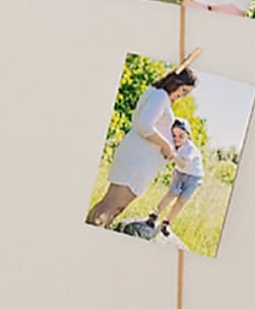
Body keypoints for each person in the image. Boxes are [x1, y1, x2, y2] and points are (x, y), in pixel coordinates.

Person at [86, 67, 197, 229]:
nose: (183, 96)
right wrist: (166, 146)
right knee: (110, 205)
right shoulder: (160, 95)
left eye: (187, 93)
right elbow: (144, 124)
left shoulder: (158, 95)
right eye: (184, 90)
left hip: (139, 163)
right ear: (176, 82)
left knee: (115, 208)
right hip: (136, 161)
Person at [145, 119, 204, 238]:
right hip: (179, 173)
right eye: (174, 135)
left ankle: (166, 223)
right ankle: (154, 214)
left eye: (181, 136)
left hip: (194, 177)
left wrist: (173, 154)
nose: (176, 139)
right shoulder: (173, 145)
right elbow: (170, 159)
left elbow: (183, 163)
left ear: (188, 135)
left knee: (181, 201)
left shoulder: (190, 148)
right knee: (171, 193)